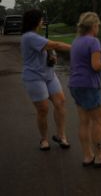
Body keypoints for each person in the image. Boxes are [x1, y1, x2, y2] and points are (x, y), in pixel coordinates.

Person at [68, 12, 101, 168]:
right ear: (94, 26)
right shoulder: (94, 41)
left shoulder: (76, 41)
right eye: (98, 26)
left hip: (75, 85)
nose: (98, 29)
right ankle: (100, 156)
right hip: (89, 85)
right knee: (98, 120)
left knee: (84, 122)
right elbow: (96, 66)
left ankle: (87, 156)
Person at [20, 9, 72, 150]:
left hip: (48, 75)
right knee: (43, 109)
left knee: (60, 102)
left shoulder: (36, 36)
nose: (43, 21)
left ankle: (61, 136)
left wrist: (52, 56)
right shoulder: (29, 37)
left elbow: (50, 48)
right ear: (36, 21)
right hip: (34, 77)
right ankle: (44, 139)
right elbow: (55, 45)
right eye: (41, 19)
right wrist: (76, 48)